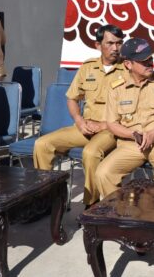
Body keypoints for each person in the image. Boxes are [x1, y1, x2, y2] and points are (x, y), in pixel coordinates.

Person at [33, 24, 125, 207]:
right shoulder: (88, 67)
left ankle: (91, 204)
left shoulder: (128, 68)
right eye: (110, 43)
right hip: (86, 127)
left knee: (90, 153)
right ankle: (48, 199)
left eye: (119, 43)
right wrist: (79, 120)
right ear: (98, 45)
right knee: (42, 144)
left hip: (112, 130)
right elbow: (72, 98)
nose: (116, 48)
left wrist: (105, 126)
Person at [95, 38, 154, 199]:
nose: (150, 63)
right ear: (128, 64)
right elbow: (111, 123)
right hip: (132, 142)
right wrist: (133, 135)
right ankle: (120, 214)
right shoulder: (116, 88)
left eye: (150, 58)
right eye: (144, 61)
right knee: (103, 173)